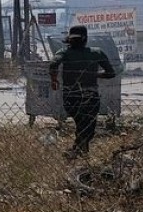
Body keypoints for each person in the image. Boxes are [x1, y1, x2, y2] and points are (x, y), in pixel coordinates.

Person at [49, 25, 116, 159]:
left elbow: (53, 64)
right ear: (85, 39)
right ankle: (80, 152)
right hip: (90, 96)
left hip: (71, 96)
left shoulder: (64, 52)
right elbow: (111, 73)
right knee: (88, 125)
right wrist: (93, 75)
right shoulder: (96, 53)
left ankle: (77, 151)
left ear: (69, 39)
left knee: (81, 123)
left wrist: (54, 80)